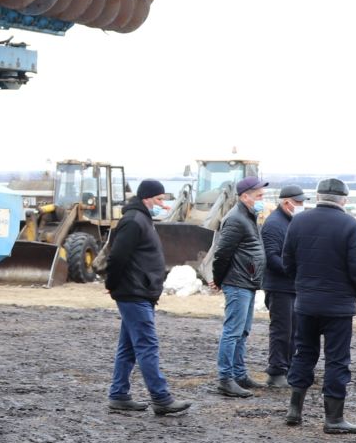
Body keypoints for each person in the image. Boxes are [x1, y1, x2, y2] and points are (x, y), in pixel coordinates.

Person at [280, 178, 356, 433]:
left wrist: (302, 285)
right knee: (337, 359)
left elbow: (288, 260)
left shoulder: (298, 221)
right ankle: (333, 418)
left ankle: (294, 410)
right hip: (338, 306)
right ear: (344, 200)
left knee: (303, 353)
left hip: (306, 302)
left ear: (318, 197)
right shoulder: (350, 225)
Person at [104, 179, 190, 418]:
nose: (163, 204)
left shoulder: (142, 220)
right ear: (147, 198)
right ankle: (161, 398)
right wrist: (111, 284)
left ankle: (119, 394)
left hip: (140, 292)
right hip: (134, 293)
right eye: (159, 199)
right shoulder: (133, 221)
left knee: (129, 347)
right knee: (147, 345)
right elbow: (117, 257)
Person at [209, 176, 268, 398]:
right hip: (237, 282)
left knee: (242, 331)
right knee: (232, 332)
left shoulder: (248, 216)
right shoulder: (235, 219)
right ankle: (225, 378)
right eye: (259, 196)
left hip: (247, 282)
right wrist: (218, 278)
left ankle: (240, 374)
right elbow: (222, 253)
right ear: (245, 197)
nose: (262, 200)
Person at [260, 184, 306, 389]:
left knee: (294, 330)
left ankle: (288, 368)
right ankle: (276, 371)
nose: (301, 205)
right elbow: (271, 257)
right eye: (298, 202)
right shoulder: (273, 224)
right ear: (286, 202)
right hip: (279, 287)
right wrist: (294, 270)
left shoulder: (291, 222)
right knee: (282, 330)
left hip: (292, 286)